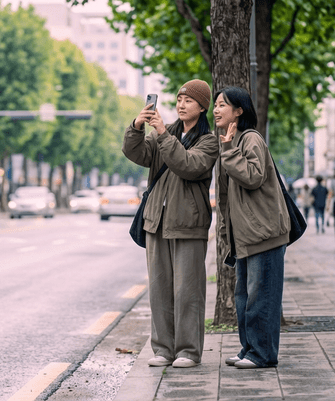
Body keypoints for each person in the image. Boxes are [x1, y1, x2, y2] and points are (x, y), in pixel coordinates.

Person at [122, 79, 219, 369]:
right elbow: (137, 153)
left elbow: (189, 166)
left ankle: (188, 351)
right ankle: (163, 349)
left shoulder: (208, 141)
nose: (180, 104)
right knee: (160, 290)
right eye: (178, 99)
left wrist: (163, 133)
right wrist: (137, 128)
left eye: (188, 100)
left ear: (202, 107)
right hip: (157, 222)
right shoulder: (165, 133)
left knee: (187, 292)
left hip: (188, 223)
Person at [214, 86, 289, 370]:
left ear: (239, 110)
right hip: (246, 236)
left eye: (223, 105)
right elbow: (225, 197)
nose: (216, 110)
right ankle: (249, 349)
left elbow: (253, 177)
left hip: (265, 234)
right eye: (216, 105)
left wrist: (229, 150)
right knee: (245, 298)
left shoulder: (250, 139)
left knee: (262, 299)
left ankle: (262, 354)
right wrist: (226, 232)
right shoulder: (229, 142)